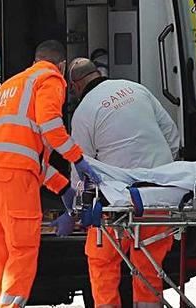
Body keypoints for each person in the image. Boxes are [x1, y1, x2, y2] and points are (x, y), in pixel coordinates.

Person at [0, 41, 101, 308]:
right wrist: (77, 159)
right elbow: (51, 126)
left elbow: (24, 153)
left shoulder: (11, 85)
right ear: (62, 66)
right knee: (22, 247)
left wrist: (63, 188)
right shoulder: (50, 79)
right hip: (14, 178)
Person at [66, 58, 179, 308]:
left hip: (117, 203)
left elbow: (80, 165)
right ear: (98, 74)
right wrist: (160, 173)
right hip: (158, 197)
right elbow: (172, 136)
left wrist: (76, 208)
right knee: (149, 266)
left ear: (75, 86)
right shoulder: (137, 89)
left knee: (103, 264)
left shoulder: (84, 111)